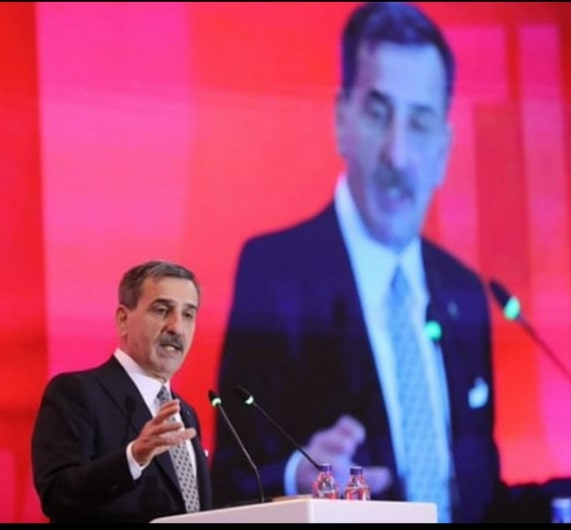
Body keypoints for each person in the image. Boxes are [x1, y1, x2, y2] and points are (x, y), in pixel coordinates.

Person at [210, 2, 510, 523]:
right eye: (378, 113)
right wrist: (295, 476)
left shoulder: (464, 292)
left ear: (444, 149)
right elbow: (231, 478)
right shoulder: (277, 276)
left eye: (419, 124)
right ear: (341, 119)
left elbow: (483, 484)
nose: (398, 154)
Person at [31, 260, 213, 523]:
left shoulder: (186, 412)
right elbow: (57, 494)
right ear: (123, 320)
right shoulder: (77, 393)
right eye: (162, 310)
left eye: (188, 315)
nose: (176, 327)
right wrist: (133, 457)